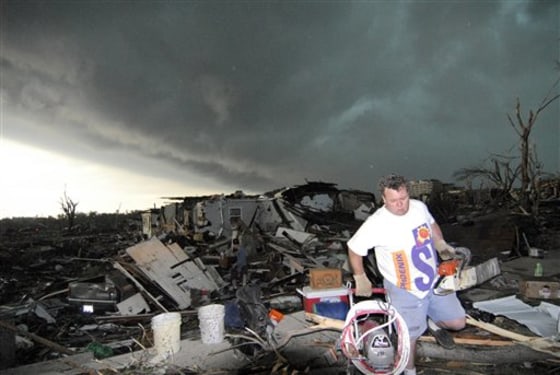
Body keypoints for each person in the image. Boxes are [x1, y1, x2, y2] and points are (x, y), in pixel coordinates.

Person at [347, 174, 466, 375]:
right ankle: (409, 371)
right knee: (409, 336)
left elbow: (432, 223)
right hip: (403, 286)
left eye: (403, 199)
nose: (400, 205)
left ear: (408, 193)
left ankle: (431, 322)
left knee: (457, 323)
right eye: (394, 201)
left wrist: (440, 243)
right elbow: (354, 249)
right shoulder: (376, 223)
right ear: (383, 199)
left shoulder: (418, 207)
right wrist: (360, 277)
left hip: (433, 279)